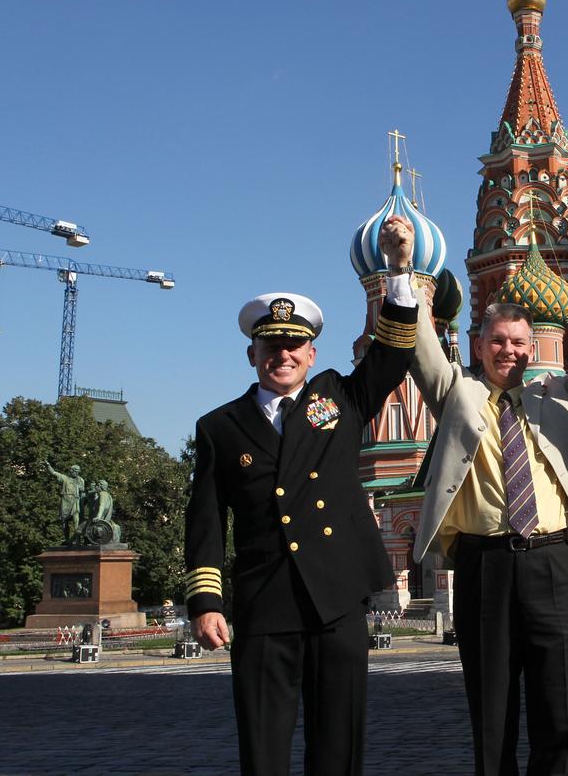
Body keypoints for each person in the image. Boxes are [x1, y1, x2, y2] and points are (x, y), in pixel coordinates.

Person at [408, 253, 568, 775]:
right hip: (485, 564)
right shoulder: (459, 392)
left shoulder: (561, 393)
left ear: (535, 348)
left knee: (558, 706)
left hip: (550, 560)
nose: (509, 351)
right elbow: (423, 350)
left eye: (520, 343)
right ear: (479, 346)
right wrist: (399, 271)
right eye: (498, 341)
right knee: (491, 706)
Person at [185, 217, 418, 776]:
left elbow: (391, 354)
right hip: (265, 602)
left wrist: (398, 269)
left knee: (338, 746)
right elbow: (207, 520)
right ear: (252, 353)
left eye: (294, 345)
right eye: (271, 345)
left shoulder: (339, 396)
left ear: (312, 353)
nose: (282, 355)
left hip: (337, 599)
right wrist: (206, 602)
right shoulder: (220, 426)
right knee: (263, 750)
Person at [44, 461, 85, 543]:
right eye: (76, 472)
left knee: (76, 520)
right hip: (65, 501)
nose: (77, 473)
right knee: (64, 521)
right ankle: (67, 539)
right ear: (71, 471)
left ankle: (77, 539)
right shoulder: (64, 478)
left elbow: (82, 491)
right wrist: (48, 465)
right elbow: (53, 472)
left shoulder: (80, 480)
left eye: (78, 472)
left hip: (75, 500)